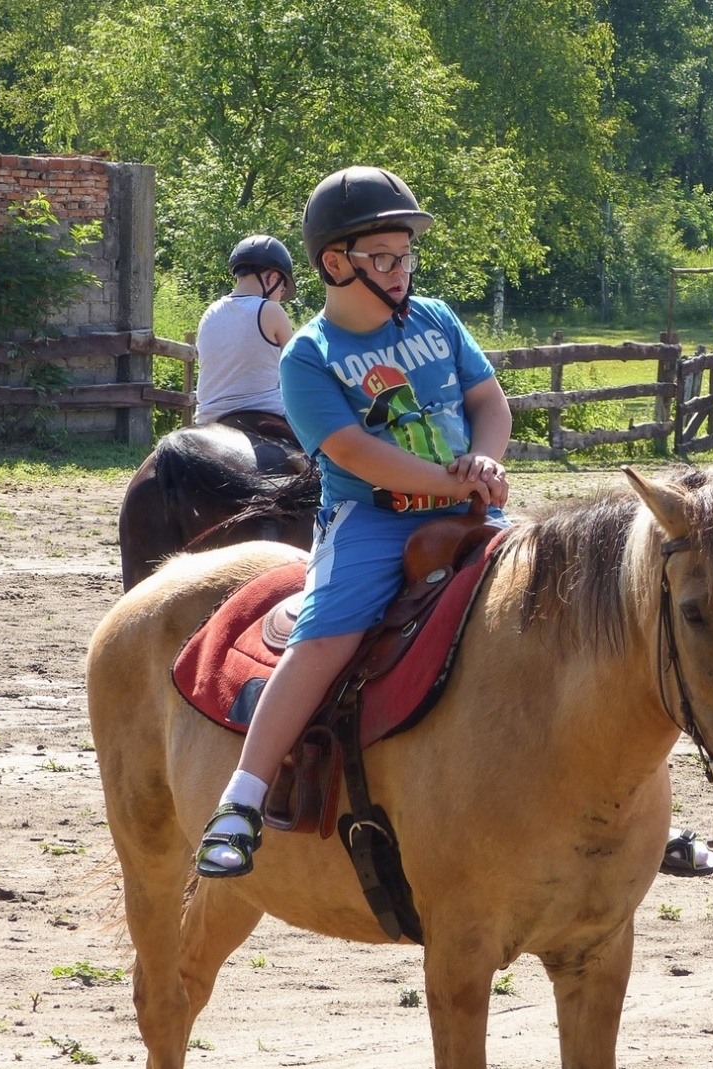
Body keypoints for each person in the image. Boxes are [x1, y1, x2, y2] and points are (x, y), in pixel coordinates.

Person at [194, 165, 512, 877]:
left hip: (470, 503)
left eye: (406, 256)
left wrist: (485, 464)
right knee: (326, 638)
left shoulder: (438, 319)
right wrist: (449, 479)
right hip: (371, 520)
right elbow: (352, 452)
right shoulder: (309, 356)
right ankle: (241, 801)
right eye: (384, 257)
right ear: (336, 262)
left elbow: (489, 403)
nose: (401, 271)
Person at [191, 234, 297, 426]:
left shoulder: (210, 312)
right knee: (323, 452)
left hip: (208, 420)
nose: (280, 296)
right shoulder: (270, 310)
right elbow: (299, 366)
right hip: (266, 414)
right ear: (273, 278)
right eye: (282, 289)